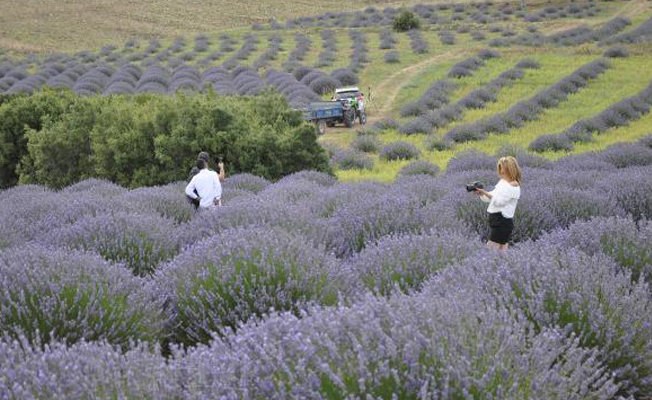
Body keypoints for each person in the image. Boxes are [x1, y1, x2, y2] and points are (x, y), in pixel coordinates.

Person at [473, 156, 522, 250]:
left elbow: (499, 202)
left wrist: (484, 192)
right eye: (499, 169)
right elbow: (492, 196)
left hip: (502, 222)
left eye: (502, 169)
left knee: (490, 251)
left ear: (509, 170)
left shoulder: (514, 186)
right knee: (501, 252)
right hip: (497, 221)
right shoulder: (503, 182)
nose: (500, 172)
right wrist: (481, 193)